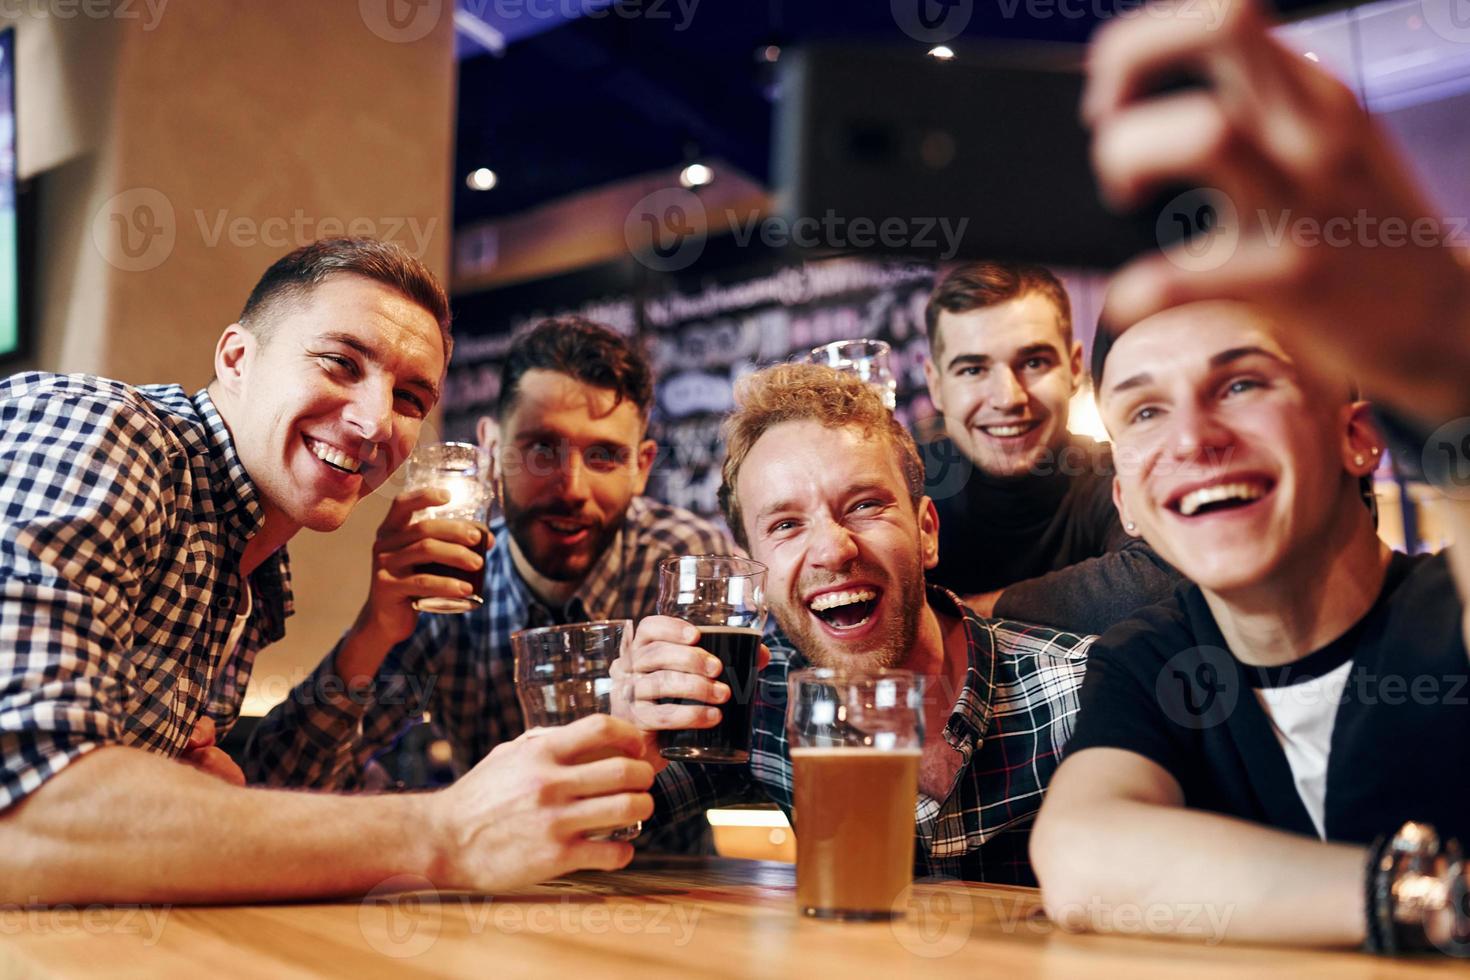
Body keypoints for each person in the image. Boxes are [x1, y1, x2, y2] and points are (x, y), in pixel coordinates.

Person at [0, 240, 653, 904]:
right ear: (236, 358)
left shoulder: (249, 563)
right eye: (340, 363)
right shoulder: (102, 431)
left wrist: (375, 630)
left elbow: (263, 805)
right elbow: (24, 810)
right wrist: (447, 831)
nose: (374, 422)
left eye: (408, 398)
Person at [1032, 0, 1470, 951]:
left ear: (1360, 437)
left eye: (1242, 382)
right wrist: (1432, 899)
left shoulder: (1450, 608)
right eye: (1143, 409)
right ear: (1127, 503)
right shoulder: (1153, 660)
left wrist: (1445, 358)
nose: (1192, 436)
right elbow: (1084, 857)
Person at [617, 362, 1094, 885]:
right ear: (756, 571)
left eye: (865, 505)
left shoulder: (1081, 690)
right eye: (785, 525)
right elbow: (588, 832)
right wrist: (624, 744)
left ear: (926, 532)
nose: (832, 549)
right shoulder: (761, 700)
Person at [247, 316, 733, 796]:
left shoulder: (685, 566)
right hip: (496, 871)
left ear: (641, 467)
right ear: (492, 449)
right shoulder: (450, 583)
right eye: (542, 449)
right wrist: (375, 628)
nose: (572, 488)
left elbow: (735, 759)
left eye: (603, 456)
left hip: (662, 872)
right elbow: (280, 782)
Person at [922, 261, 1179, 634]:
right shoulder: (904, 487)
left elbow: (1164, 577)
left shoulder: (1112, 475)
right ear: (936, 385)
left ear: (1075, 369)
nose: (1008, 398)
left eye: (1033, 362)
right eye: (973, 370)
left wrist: (963, 612)